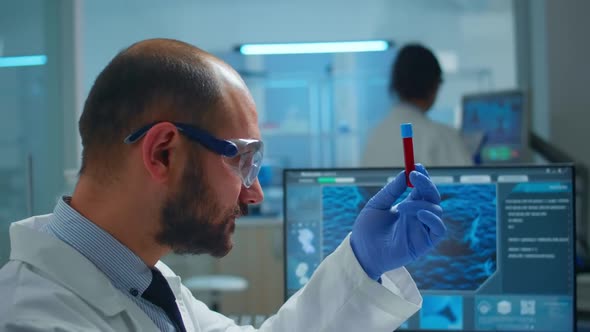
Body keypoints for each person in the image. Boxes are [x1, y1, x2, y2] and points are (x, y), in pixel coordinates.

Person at [0, 38, 446, 331]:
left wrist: (363, 263)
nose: (254, 194)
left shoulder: (144, 284)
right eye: (243, 162)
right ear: (163, 153)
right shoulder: (34, 319)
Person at [362, 43, 472, 167]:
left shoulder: (375, 136)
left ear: (395, 85)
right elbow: (470, 182)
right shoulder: (442, 137)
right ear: (434, 85)